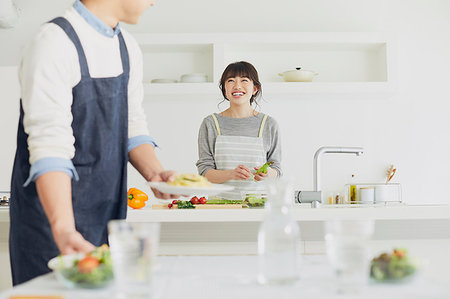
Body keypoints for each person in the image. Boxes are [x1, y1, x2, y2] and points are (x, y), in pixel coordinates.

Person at [10, 0, 178, 285]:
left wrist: (155, 173)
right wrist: (63, 229)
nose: (154, 1)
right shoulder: (54, 43)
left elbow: (132, 124)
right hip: (51, 222)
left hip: (106, 217)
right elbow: (50, 146)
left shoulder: (127, 46)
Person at [196, 61, 282, 200]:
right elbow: (204, 173)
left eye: (244, 80)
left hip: (259, 207)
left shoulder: (268, 124)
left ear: (255, 88)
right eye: (230, 80)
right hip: (220, 207)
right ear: (224, 89)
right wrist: (231, 174)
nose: (237, 86)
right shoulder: (211, 123)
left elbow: (277, 170)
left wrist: (268, 174)